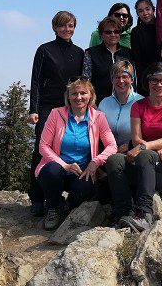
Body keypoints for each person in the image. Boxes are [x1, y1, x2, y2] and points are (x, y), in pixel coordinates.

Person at [106, 63, 162, 231]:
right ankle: (123, 211)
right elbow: (137, 139)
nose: (159, 84)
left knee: (145, 155)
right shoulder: (139, 106)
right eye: (154, 80)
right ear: (147, 82)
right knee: (114, 160)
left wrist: (147, 148)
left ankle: (145, 214)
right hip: (144, 161)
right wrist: (154, 149)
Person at [35, 78, 117, 230]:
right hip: (58, 168)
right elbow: (43, 146)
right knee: (51, 171)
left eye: (83, 93)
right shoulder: (56, 114)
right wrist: (64, 165)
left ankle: (68, 205)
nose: (78, 97)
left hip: (82, 171)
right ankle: (53, 206)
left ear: (90, 96)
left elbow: (112, 146)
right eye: (74, 93)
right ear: (68, 96)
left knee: (83, 191)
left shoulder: (98, 117)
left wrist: (95, 162)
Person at [28, 11, 84, 217]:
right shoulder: (44, 50)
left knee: (67, 148)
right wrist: (33, 109)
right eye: (62, 25)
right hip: (47, 106)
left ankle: (58, 196)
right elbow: (35, 80)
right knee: (41, 149)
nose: (66, 29)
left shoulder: (79, 52)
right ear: (54, 27)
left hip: (70, 107)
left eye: (70, 26)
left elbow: (81, 83)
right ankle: (36, 198)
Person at [82, 16, 135, 105]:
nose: (113, 35)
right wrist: (92, 104)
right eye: (108, 32)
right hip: (99, 104)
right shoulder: (91, 53)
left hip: (126, 104)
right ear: (101, 35)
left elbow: (133, 80)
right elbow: (86, 81)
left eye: (116, 31)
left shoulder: (128, 53)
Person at [98, 61, 142, 153]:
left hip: (133, 152)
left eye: (125, 77)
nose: (121, 81)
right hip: (107, 153)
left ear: (132, 79)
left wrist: (130, 145)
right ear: (112, 80)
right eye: (117, 77)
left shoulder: (141, 102)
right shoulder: (104, 103)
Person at [130, 0, 161, 92]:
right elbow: (137, 59)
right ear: (137, 14)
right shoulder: (136, 31)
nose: (145, 13)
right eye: (140, 11)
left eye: (147, 9)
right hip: (146, 77)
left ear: (153, 9)